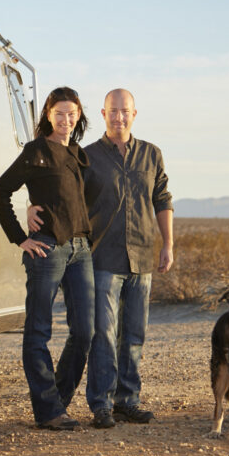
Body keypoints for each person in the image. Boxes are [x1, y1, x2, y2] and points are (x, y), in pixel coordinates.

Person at [30, 87, 173, 429]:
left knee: (134, 334)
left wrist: (168, 244)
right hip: (102, 257)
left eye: (126, 111)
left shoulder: (152, 155)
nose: (119, 116)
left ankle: (128, 401)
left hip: (141, 257)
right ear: (104, 114)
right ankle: (101, 404)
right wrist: (33, 205)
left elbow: (162, 199)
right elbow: (61, 189)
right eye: (113, 111)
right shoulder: (87, 155)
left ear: (134, 115)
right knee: (103, 335)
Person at [0, 86, 94, 430]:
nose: (66, 120)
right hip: (47, 248)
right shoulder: (36, 151)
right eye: (59, 113)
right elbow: (0, 191)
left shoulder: (78, 154)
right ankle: (49, 411)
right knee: (38, 330)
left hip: (81, 250)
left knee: (84, 332)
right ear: (48, 115)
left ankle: (57, 402)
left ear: (79, 116)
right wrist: (20, 237)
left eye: (72, 113)